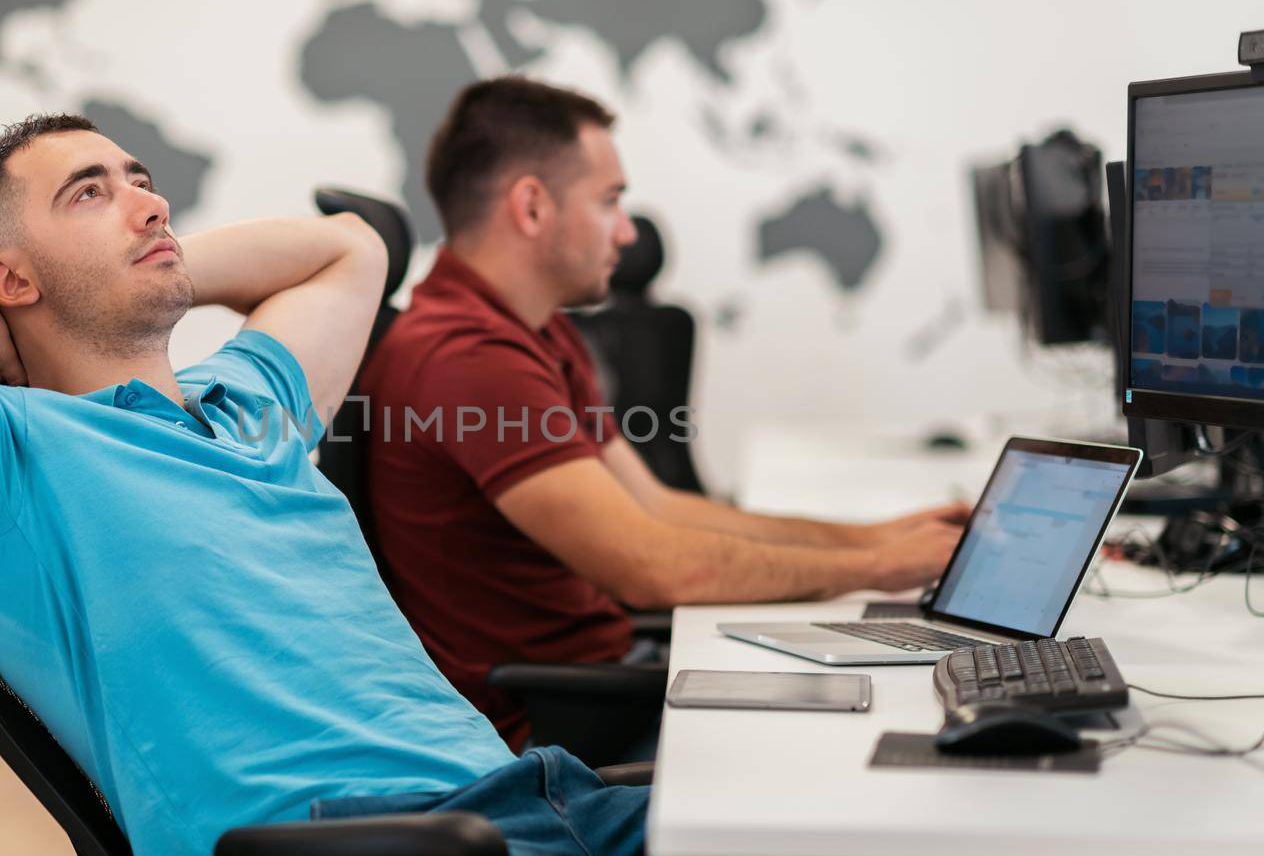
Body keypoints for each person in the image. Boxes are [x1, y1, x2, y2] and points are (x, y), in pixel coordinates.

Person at [0, 114, 977, 856]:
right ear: (9, 274)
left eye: (142, 180)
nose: (144, 200)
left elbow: (355, 246)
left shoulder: (255, 406)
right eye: (89, 191)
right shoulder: (1, 459)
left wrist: (144, 265)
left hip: (545, 799)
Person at [360, 77, 968, 750]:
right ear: (531, 207)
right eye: (610, 201)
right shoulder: (469, 357)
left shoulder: (533, 330)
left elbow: (660, 507)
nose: (626, 231)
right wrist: (873, 568)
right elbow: (653, 567)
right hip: (564, 734)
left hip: (608, 687)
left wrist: (878, 538)